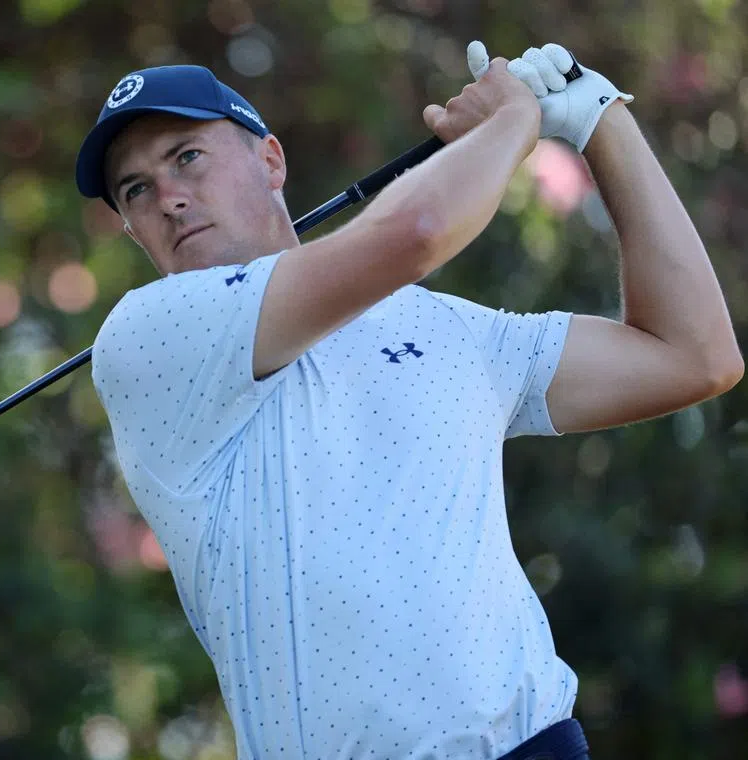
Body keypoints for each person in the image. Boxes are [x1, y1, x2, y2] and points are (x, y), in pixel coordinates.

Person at [73, 41, 742, 759]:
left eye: (187, 157)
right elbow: (417, 231)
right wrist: (513, 119)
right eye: (135, 189)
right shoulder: (147, 338)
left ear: (270, 160)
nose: (167, 197)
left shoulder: (443, 327)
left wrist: (600, 121)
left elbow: (694, 355)